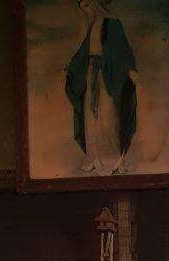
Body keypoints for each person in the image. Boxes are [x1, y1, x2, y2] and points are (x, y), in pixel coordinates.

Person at [65, 0, 137, 175]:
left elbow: (121, 51)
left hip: (107, 77)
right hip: (92, 76)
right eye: (84, 8)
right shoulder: (93, 26)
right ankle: (94, 157)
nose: (87, 12)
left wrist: (107, 63)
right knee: (92, 117)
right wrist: (73, 67)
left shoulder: (112, 23)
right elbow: (84, 52)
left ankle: (114, 157)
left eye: (88, 7)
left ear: (95, 5)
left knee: (108, 114)